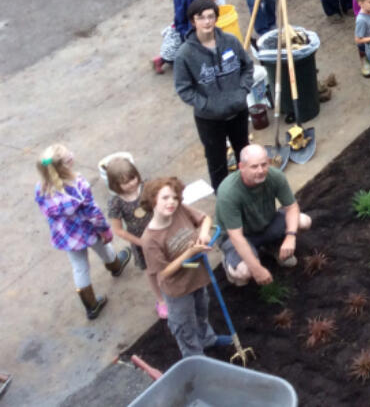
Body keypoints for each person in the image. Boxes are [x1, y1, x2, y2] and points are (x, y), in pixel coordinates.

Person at [34, 144, 131, 320]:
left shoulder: (41, 188)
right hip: (87, 232)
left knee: (79, 267)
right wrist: (105, 230)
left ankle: (91, 305)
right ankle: (115, 266)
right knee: (104, 249)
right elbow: (93, 212)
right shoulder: (78, 184)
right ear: (67, 164)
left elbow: (46, 211)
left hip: (66, 236)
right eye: (68, 155)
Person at [139, 176, 227, 359]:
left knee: (202, 310)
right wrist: (189, 253)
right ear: (152, 200)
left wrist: (203, 234)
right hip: (177, 288)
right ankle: (194, 357)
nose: (171, 202)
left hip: (197, 275)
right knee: (184, 324)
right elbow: (163, 273)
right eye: (165, 198)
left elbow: (205, 219)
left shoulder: (179, 210)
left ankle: (207, 339)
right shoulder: (150, 239)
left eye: (175, 197)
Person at [173, 0, 254, 191]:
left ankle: (250, 189)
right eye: (201, 18)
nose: (207, 21)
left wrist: (242, 91)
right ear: (193, 22)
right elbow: (184, 88)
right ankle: (224, 198)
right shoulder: (185, 54)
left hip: (237, 110)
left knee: (244, 153)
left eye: (211, 16)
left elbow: (247, 66)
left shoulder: (230, 41)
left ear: (216, 19)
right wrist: (206, 104)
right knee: (216, 161)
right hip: (209, 119)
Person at [216, 145, 312, 286]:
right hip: (239, 236)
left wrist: (290, 236)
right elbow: (236, 236)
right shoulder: (228, 192)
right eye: (254, 167)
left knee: (304, 221)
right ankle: (229, 262)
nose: (260, 171)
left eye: (264, 165)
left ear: (269, 162)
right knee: (244, 273)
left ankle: (272, 246)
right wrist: (257, 269)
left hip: (266, 224)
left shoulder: (274, 176)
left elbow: (291, 207)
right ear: (241, 167)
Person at [101, 154, 167, 319]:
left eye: (133, 178)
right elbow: (118, 230)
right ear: (115, 185)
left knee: (168, 261)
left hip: (161, 233)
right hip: (141, 243)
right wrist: (141, 242)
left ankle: (175, 288)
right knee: (152, 271)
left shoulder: (147, 187)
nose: (131, 184)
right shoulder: (115, 202)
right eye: (125, 182)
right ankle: (161, 300)